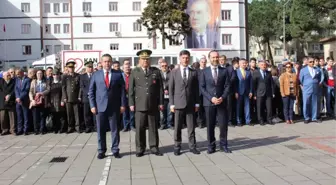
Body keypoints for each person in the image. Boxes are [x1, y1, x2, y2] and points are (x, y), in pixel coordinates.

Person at [88, 54, 126, 159]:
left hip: (114, 107)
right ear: (101, 62)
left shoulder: (117, 74)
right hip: (100, 107)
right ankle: (101, 150)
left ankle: (115, 150)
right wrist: (92, 105)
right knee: (100, 130)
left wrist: (123, 104)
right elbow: (91, 92)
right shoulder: (96, 75)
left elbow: (123, 91)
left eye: (109, 61)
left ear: (111, 62)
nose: (107, 63)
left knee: (115, 130)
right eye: (105, 61)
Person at [128, 49, 164, 157]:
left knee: (153, 127)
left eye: (147, 59)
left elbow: (160, 89)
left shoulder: (156, 71)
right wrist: (131, 103)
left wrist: (161, 102)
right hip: (139, 104)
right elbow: (131, 89)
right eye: (143, 59)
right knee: (139, 128)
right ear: (139, 60)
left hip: (153, 104)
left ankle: (154, 147)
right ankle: (140, 148)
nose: (145, 61)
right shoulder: (135, 71)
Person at [169, 50, 200, 156]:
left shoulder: (193, 72)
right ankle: (177, 146)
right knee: (177, 127)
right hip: (178, 104)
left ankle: (192, 146)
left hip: (190, 104)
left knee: (191, 128)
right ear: (180, 58)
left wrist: (197, 103)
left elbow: (196, 89)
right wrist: (171, 104)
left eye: (187, 58)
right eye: (183, 58)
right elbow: (171, 89)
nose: (185, 60)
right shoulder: (174, 72)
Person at [199, 50, 231, 154]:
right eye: (213, 57)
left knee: (223, 125)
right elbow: (202, 88)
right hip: (209, 103)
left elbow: (227, 86)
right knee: (210, 125)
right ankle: (211, 146)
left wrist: (223, 97)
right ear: (209, 58)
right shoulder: (204, 71)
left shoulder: (224, 71)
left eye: (217, 57)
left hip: (222, 102)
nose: (215, 59)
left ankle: (223, 145)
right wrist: (211, 98)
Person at [300, 57, 323, 123]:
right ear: (307, 62)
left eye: (313, 61)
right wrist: (305, 85)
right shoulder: (303, 70)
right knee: (306, 103)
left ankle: (314, 117)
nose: (312, 63)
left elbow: (319, 78)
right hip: (307, 89)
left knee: (314, 103)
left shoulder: (317, 69)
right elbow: (301, 80)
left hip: (315, 88)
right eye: (310, 62)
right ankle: (306, 118)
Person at [252, 61, 274, 125]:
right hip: (259, 93)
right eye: (262, 65)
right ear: (259, 66)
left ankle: (269, 120)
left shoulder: (268, 73)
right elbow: (254, 85)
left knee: (269, 107)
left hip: (268, 93)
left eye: (264, 65)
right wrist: (255, 94)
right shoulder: (255, 73)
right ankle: (260, 120)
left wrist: (273, 92)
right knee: (259, 107)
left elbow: (271, 84)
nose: (263, 66)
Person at [62, 61, 81, 133]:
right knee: (69, 114)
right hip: (68, 98)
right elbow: (63, 88)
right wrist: (64, 97)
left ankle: (77, 127)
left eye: (72, 67)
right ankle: (70, 127)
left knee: (77, 114)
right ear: (67, 68)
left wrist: (79, 96)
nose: (71, 69)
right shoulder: (65, 77)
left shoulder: (78, 76)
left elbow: (80, 87)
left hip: (76, 98)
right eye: (70, 67)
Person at [29, 69, 49, 135]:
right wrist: (32, 100)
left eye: (40, 73)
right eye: (38, 73)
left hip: (43, 100)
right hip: (35, 101)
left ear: (42, 74)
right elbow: (30, 92)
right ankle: (36, 130)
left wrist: (41, 93)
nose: (39, 75)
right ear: (36, 75)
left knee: (42, 115)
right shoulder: (33, 82)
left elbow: (48, 90)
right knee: (35, 116)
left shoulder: (45, 81)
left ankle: (42, 129)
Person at [48, 68, 67, 133]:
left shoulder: (61, 83)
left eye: (57, 74)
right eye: (54, 74)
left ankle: (62, 128)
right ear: (52, 75)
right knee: (54, 116)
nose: (55, 76)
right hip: (53, 102)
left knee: (61, 116)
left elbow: (63, 92)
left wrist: (62, 100)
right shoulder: (50, 83)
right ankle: (55, 128)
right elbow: (48, 93)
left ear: (59, 75)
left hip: (59, 101)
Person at [235, 58, 253, 126]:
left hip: (247, 92)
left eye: (245, 63)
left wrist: (251, 91)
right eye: (243, 63)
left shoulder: (248, 72)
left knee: (247, 107)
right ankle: (238, 121)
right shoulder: (236, 71)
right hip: (239, 92)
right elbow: (235, 83)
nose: (244, 64)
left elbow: (251, 83)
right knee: (238, 107)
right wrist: (236, 92)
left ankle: (248, 121)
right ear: (239, 64)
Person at [15, 68, 31, 135]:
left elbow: (26, 90)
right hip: (18, 101)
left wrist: (20, 98)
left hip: (24, 100)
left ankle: (25, 130)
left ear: (22, 73)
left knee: (25, 116)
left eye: (18, 74)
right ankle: (19, 130)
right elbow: (16, 89)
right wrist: (17, 97)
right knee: (19, 116)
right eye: (16, 74)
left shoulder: (27, 80)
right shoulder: (17, 80)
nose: (17, 75)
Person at [80, 61, 95, 133]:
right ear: (86, 68)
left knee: (94, 112)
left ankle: (95, 126)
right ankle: (88, 127)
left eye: (91, 67)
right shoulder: (82, 76)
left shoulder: (95, 75)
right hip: (86, 97)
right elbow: (82, 87)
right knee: (86, 113)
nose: (90, 68)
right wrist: (88, 92)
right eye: (89, 67)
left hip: (94, 97)